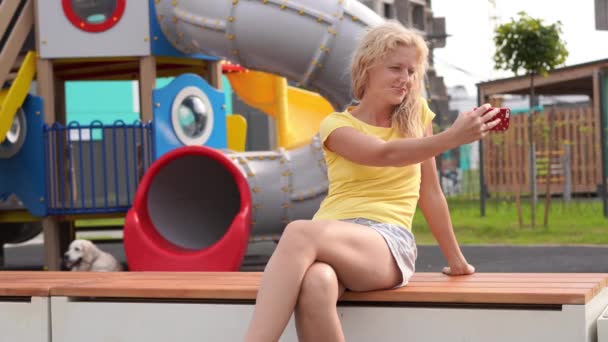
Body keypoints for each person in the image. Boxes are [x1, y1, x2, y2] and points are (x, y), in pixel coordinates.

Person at [244, 21, 501, 342]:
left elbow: (431, 192)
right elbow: (384, 154)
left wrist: (457, 260)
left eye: (411, 71)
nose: (405, 79)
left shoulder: (417, 116)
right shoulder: (336, 125)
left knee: (298, 231)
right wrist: (452, 137)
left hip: (385, 240)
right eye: (395, 68)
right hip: (330, 234)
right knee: (316, 284)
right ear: (367, 68)